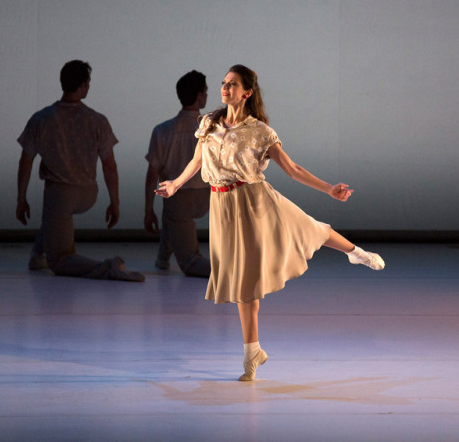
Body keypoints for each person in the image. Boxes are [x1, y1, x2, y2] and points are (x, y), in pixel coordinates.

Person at [156, 64, 385, 381]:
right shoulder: (209, 122)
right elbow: (197, 160)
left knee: (309, 229)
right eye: (223, 83)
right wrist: (176, 184)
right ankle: (253, 352)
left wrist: (330, 189)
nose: (225, 87)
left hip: (254, 200)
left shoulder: (260, 131)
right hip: (222, 207)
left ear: (246, 93)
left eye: (232, 84)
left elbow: (293, 169)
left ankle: (354, 252)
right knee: (243, 282)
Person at [16, 60, 144, 282]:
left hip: (61, 196)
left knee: (61, 259)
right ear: (84, 85)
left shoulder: (42, 119)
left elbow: (26, 161)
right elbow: (109, 165)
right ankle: (38, 254)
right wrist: (115, 202)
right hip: (88, 192)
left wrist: (21, 198)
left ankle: (107, 268)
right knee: (53, 217)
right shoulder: (97, 120)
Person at [144, 70, 211, 277]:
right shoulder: (212, 129)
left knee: (169, 204)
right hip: (207, 195)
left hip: (178, 199)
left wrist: (148, 209)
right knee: (170, 210)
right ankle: (163, 256)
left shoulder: (163, 130)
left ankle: (164, 256)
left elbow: (152, 173)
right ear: (199, 96)